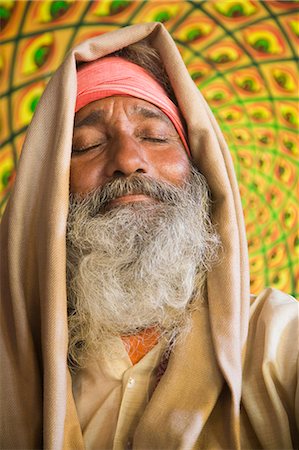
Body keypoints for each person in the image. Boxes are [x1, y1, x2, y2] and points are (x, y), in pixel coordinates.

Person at [0, 22, 298, 450]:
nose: (128, 160)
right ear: (48, 196)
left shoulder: (277, 338)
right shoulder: (15, 370)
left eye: (155, 136)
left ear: (200, 174)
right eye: (86, 145)